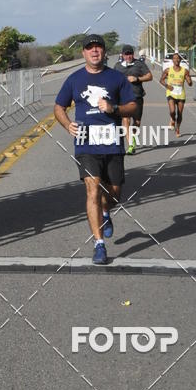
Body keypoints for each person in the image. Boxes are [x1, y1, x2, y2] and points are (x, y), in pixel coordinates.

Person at [54, 34, 137, 265]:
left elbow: (132, 107)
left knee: (113, 195)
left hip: (112, 143)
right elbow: (59, 106)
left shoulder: (117, 78)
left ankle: (106, 213)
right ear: (83, 53)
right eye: (89, 48)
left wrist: (115, 108)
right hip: (86, 144)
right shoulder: (74, 79)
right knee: (92, 191)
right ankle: (99, 244)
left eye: (98, 47)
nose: (94, 51)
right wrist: (66, 123)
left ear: (104, 52)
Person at [114, 44, 153, 154]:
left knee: (137, 122)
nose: (128, 56)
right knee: (125, 120)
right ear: (122, 55)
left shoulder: (139, 64)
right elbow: (112, 79)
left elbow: (150, 76)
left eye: (130, 54)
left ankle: (133, 139)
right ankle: (131, 144)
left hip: (137, 96)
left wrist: (137, 78)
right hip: (123, 97)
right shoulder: (117, 66)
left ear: (133, 54)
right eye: (126, 54)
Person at [159, 53, 192, 136]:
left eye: (178, 58)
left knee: (180, 114)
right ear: (172, 60)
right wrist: (167, 85)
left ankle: (177, 129)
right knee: (172, 111)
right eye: (174, 58)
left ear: (180, 60)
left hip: (181, 94)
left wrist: (189, 80)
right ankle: (173, 119)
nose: (176, 60)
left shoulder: (185, 71)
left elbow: (190, 83)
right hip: (171, 93)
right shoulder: (168, 70)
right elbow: (161, 80)